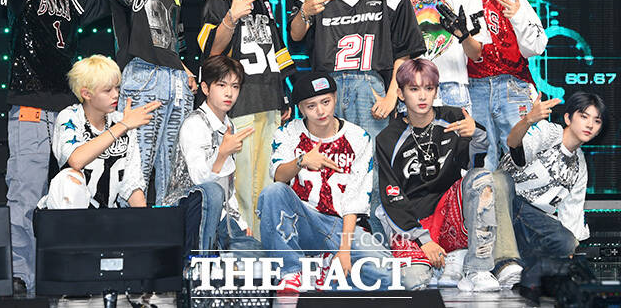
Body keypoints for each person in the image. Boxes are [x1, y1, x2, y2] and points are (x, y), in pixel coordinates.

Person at [1, 0, 112, 294]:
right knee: (26, 195)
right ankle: (23, 280)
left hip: (67, 110)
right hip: (30, 107)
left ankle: (65, 280)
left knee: (73, 193)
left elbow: (103, 1)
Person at [197, 0, 296, 238]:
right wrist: (231, 17)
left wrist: (284, 94)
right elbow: (210, 51)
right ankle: (246, 249)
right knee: (242, 185)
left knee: (267, 182)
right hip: (240, 102)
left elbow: (276, 49)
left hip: (269, 99)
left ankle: (268, 246)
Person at [376, 58, 505, 292]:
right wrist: (423, 240)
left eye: (429, 88)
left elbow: (473, 164)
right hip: (412, 224)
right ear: (401, 94)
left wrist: (477, 134)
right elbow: (391, 198)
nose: (422, 96)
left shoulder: (454, 117)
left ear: (436, 91)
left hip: (449, 214)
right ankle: (448, 260)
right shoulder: (387, 138)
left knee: (482, 179)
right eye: (414, 89)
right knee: (414, 281)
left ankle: (477, 268)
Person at [289, 0, 425, 140]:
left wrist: (392, 96)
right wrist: (305, 12)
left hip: (371, 87)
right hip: (327, 89)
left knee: (372, 157)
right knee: (330, 157)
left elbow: (404, 52)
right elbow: (296, 35)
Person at [258, 72, 393, 294]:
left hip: (338, 226)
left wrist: (344, 250)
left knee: (386, 274)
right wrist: (302, 161)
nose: (320, 111)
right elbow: (279, 176)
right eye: (311, 106)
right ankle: (291, 271)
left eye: (326, 102)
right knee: (273, 192)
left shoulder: (358, 137)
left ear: (335, 98)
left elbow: (355, 200)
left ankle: (322, 264)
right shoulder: (288, 132)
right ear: (301, 109)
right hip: (301, 221)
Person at [110, 0, 197, 206]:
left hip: (176, 80)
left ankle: (168, 235)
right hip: (143, 77)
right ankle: (131, 235)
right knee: (135, 172)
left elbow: (173, 37)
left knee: (176, 178)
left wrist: (184, 68)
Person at [448, 0, 547, 170]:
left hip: (512, 85)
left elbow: (537, 46)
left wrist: (518, 16)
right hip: (472, 88)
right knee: (481, 167)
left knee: (527, 162)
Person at [164, 56, 262, 258]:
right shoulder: (194, 124)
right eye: (221, 85)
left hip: (223, 218)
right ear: (206, 88)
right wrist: (222, 153)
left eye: (235, 86)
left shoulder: (229, 125)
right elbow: (200, 180)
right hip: (187, 214)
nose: (229, 93)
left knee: (256, 257)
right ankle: (200, 262)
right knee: (212, 191)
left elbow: (228, 184)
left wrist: (240, 222)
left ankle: (219, 258)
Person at [496, 92, 606, 269]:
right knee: (499, 182)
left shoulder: (580, 166)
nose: (590, 125)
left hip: (534, 221)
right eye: (584, 116)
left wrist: (571, 249)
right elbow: (513, 143)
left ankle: (522, 266)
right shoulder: (549, 132)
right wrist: (528, 120)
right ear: (568, 118)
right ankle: (505, 263)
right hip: (506, 202)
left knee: (567, 242)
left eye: (597, 121)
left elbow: (572, 212)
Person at [38, 55, 160, 209]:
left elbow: (132, 182)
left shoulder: (121, 121)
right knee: (69, 178)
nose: (116, 94)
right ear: (86, 94)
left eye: (117, 87)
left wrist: (146, 219)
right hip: (67, 216)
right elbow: (76, 160)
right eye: (107, 90)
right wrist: (123, 126)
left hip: (106, 216)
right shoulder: (70, 117)